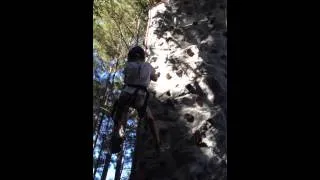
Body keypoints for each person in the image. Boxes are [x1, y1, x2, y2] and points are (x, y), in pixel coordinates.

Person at [111, 46, 161, 154]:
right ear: (142, 56)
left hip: (126, 94)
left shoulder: (128, 65)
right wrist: (156, 75)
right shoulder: (148, 66)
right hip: (140, 97)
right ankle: (157, 142)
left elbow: (125, 79)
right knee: (150, 119)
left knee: (122, 116)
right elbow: (155, 78)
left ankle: (119, 135)